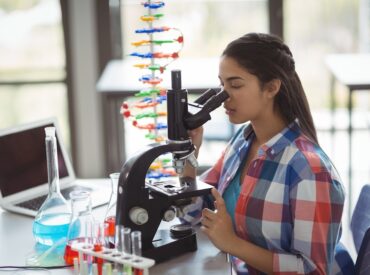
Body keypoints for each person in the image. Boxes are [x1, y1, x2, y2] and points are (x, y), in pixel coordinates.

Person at [181, 33, 347, 274]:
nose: (223, 97)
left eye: (235, 85)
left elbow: (313, 270)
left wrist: (232, 244)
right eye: (222, 85)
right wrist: (189, 154)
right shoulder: (243, 140)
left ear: (271, 88)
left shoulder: (309, 170)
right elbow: (194, 214)